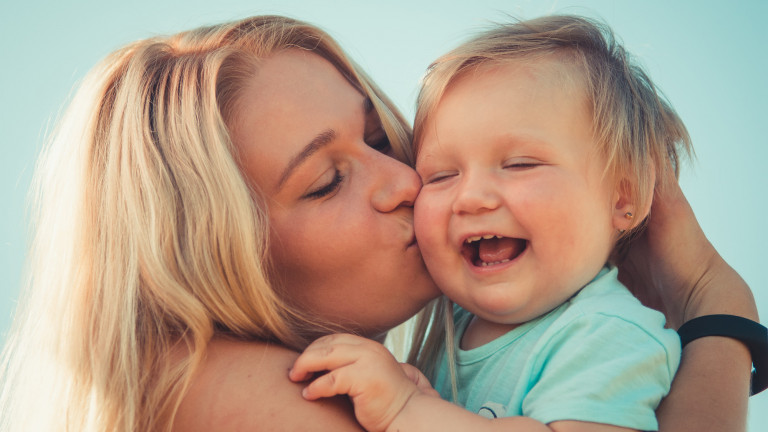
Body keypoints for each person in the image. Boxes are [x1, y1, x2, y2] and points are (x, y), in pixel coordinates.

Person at [0, 14, 758, 432]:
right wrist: (718, 308)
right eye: (329, 180)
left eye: (381, 140)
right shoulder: (234, 393)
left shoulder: (475, 348)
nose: (407, 182)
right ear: (213, 257)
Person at [289, 16, 760, 432]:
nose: (470, 197)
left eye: (518, 164)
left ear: (624, 197)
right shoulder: (450, 324)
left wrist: (406, 408)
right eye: (441, 175)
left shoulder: (608, 332)